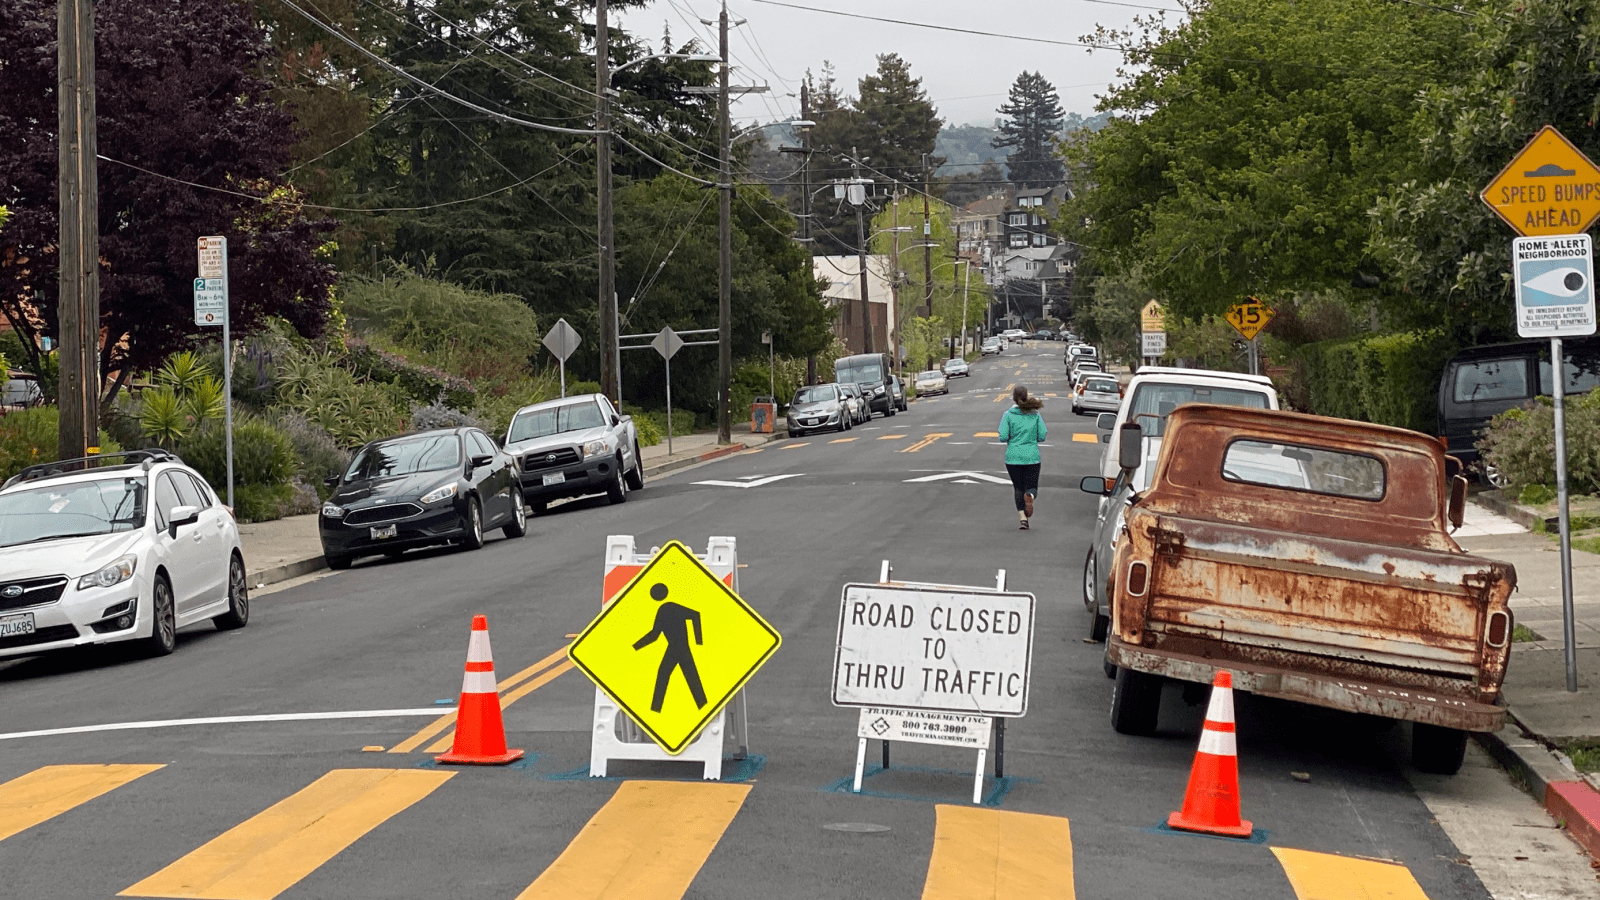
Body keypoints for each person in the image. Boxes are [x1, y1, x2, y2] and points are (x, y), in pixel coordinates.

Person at [998, 384, 1046, 529]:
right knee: (1031, 487)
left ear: (1013, 398)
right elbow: (1042, 435)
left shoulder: (1008, 415)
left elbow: (1003, 436)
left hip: (1013, 457)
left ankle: (1022, 519)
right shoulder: (1035, 415)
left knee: (1018, 487)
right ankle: (1030, 497)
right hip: (1032, 456)